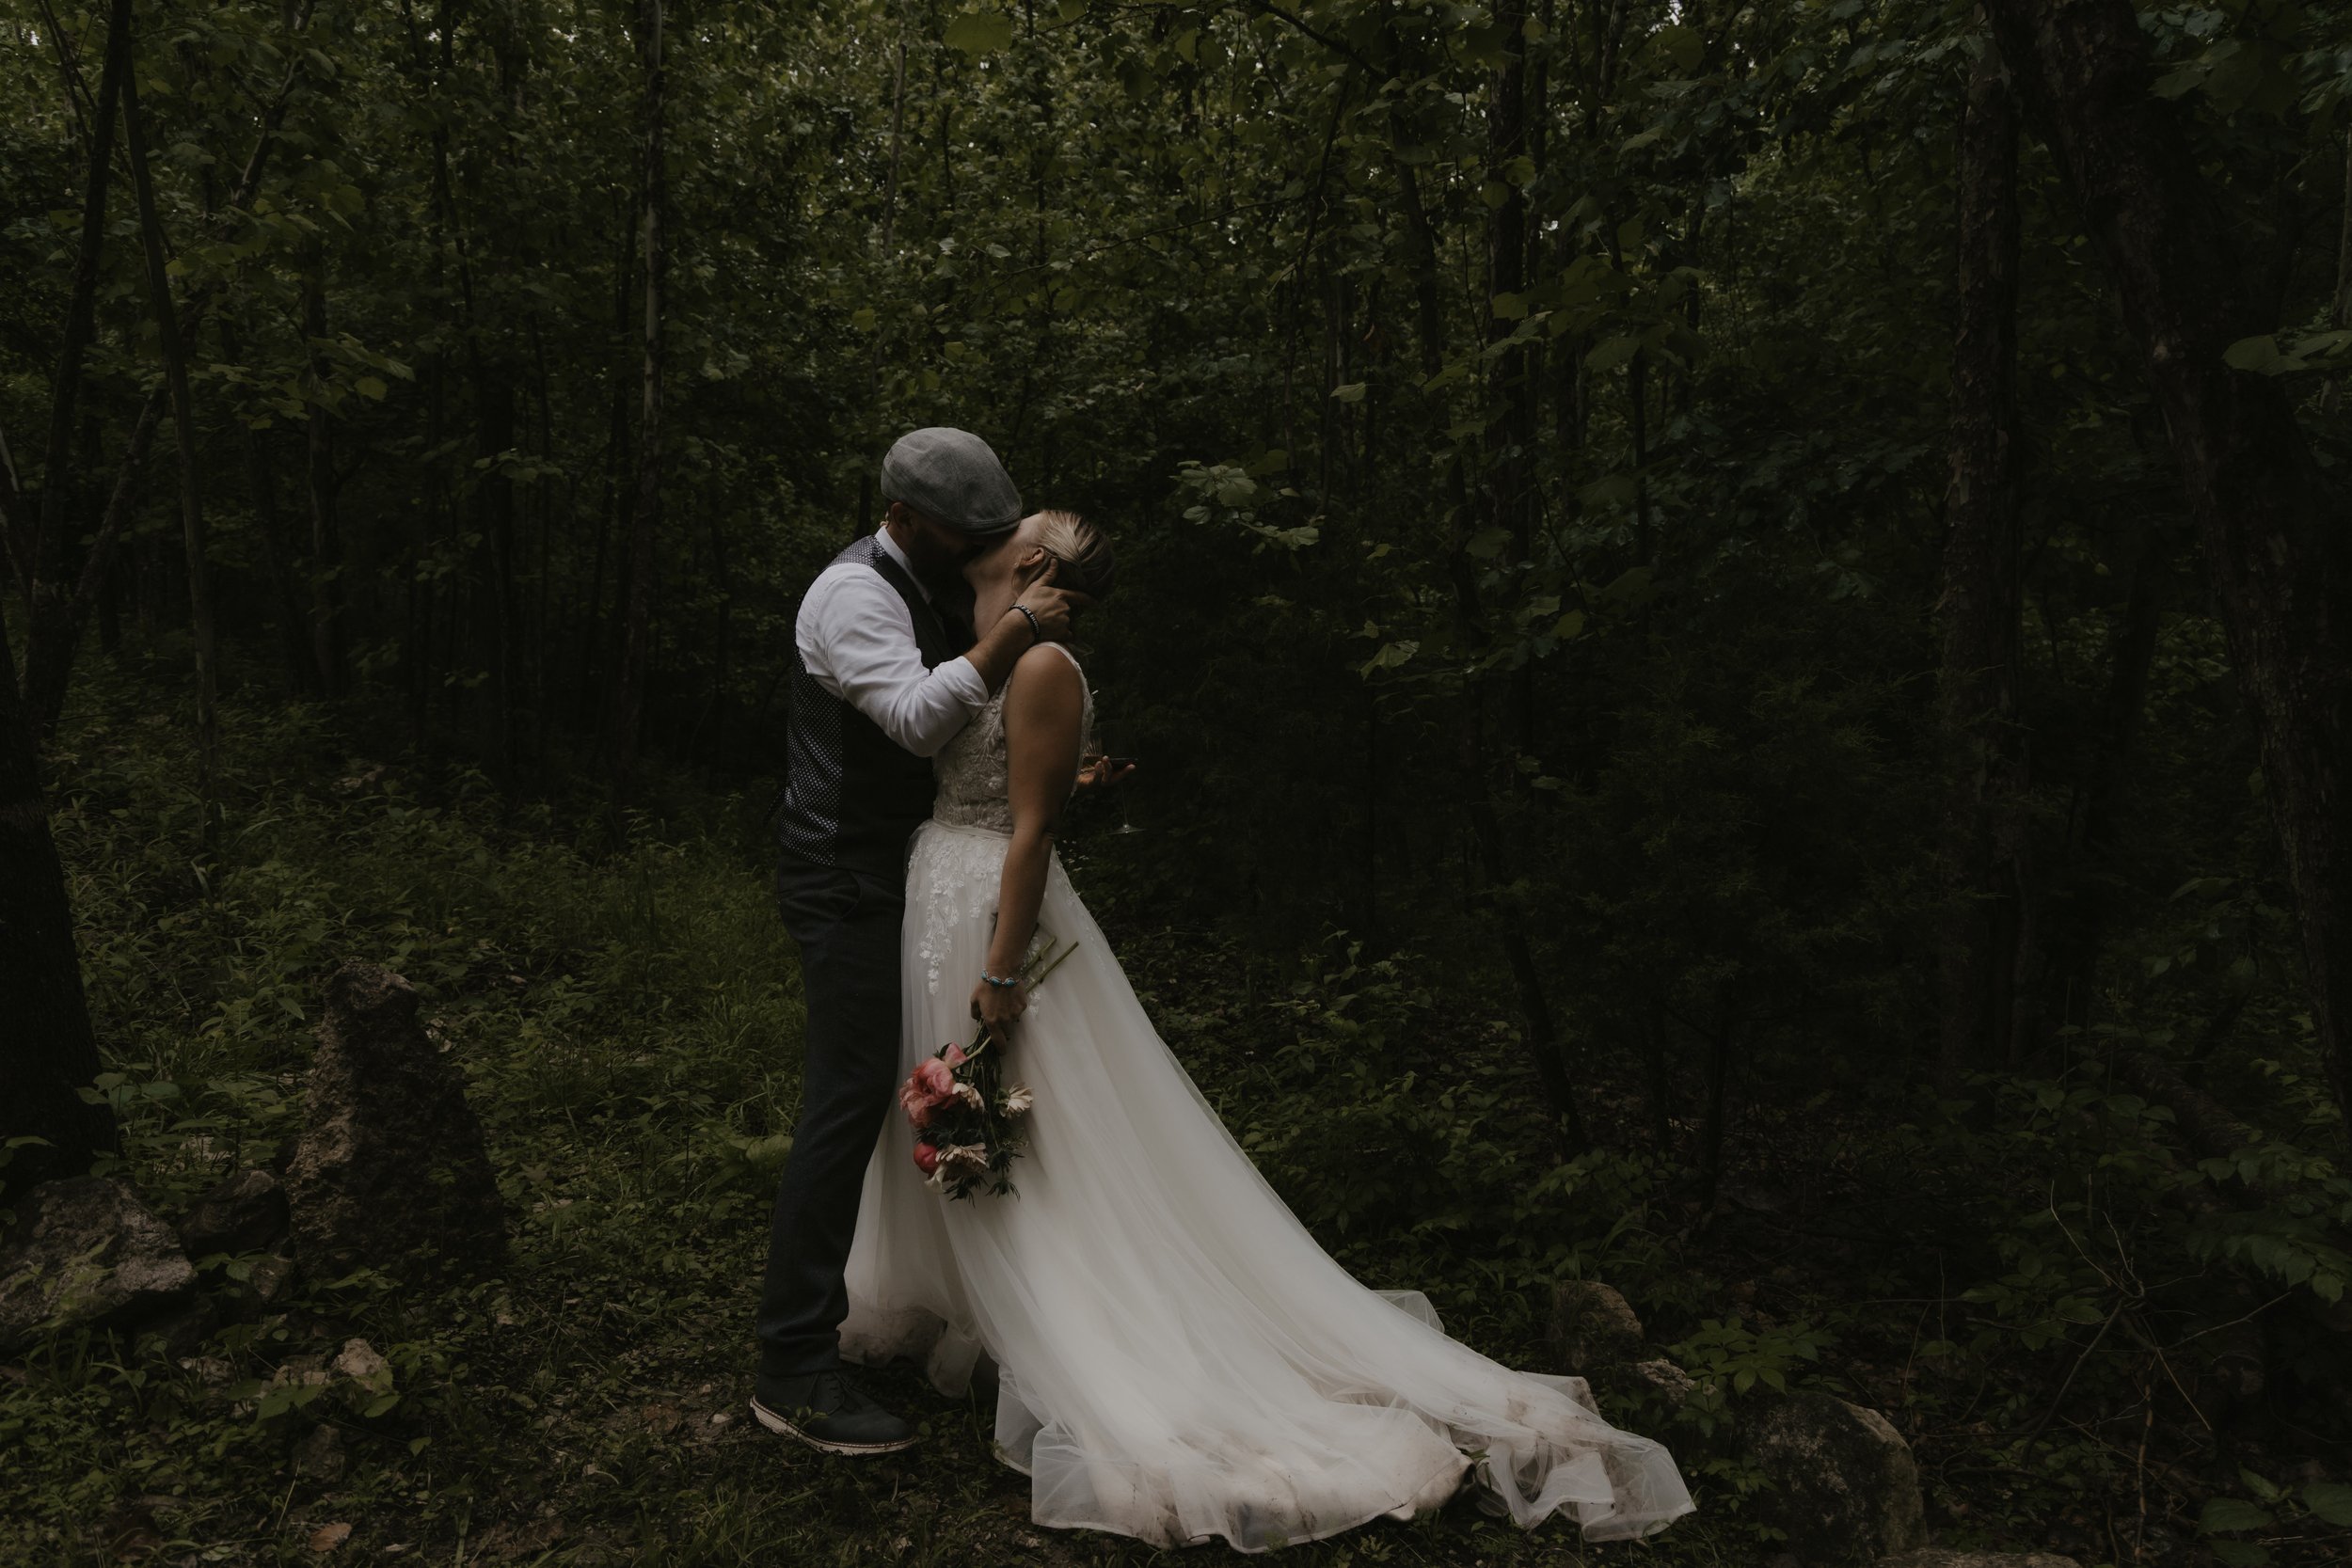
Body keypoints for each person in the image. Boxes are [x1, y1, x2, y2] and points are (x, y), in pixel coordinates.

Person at [839, 511, 1696, 1550]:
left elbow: (1033, 828)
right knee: (959, 1111)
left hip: (990, 915)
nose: (1007, 511)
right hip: (941, 890)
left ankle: (1078, 1328)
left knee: (1026, 1125)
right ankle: (966, 1302)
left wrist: (1002, 971)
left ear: (1032, 561)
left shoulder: (1045, 663)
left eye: (1028, 518)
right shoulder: (990, 646)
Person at [754, 428, 1089, 1454]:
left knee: (923, 1082)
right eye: (968, 531)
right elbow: (910, 716)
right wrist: (1016, 627)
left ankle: (951, 1299)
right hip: (842, 873)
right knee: (849, 1097)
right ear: (905, 519)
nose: (986, 546)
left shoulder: (932, 579)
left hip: (911, 876)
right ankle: (791, 1364)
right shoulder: (854, 593)